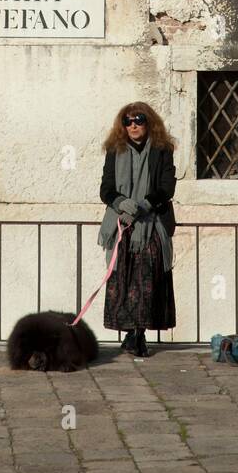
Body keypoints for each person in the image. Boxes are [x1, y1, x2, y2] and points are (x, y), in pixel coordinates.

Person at [97, 102, 177, 358]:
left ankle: (139, 335)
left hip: (150, 222)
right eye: (127, 121)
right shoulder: (114, 150)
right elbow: (106, 188)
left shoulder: (162, 150)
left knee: (146, 280)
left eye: (138, 120)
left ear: (148, 122)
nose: (133, 126)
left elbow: (167, 188)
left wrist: (143, 205)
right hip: (121, 223)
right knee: (123, 280)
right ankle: (131, 334)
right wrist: (122, 203)